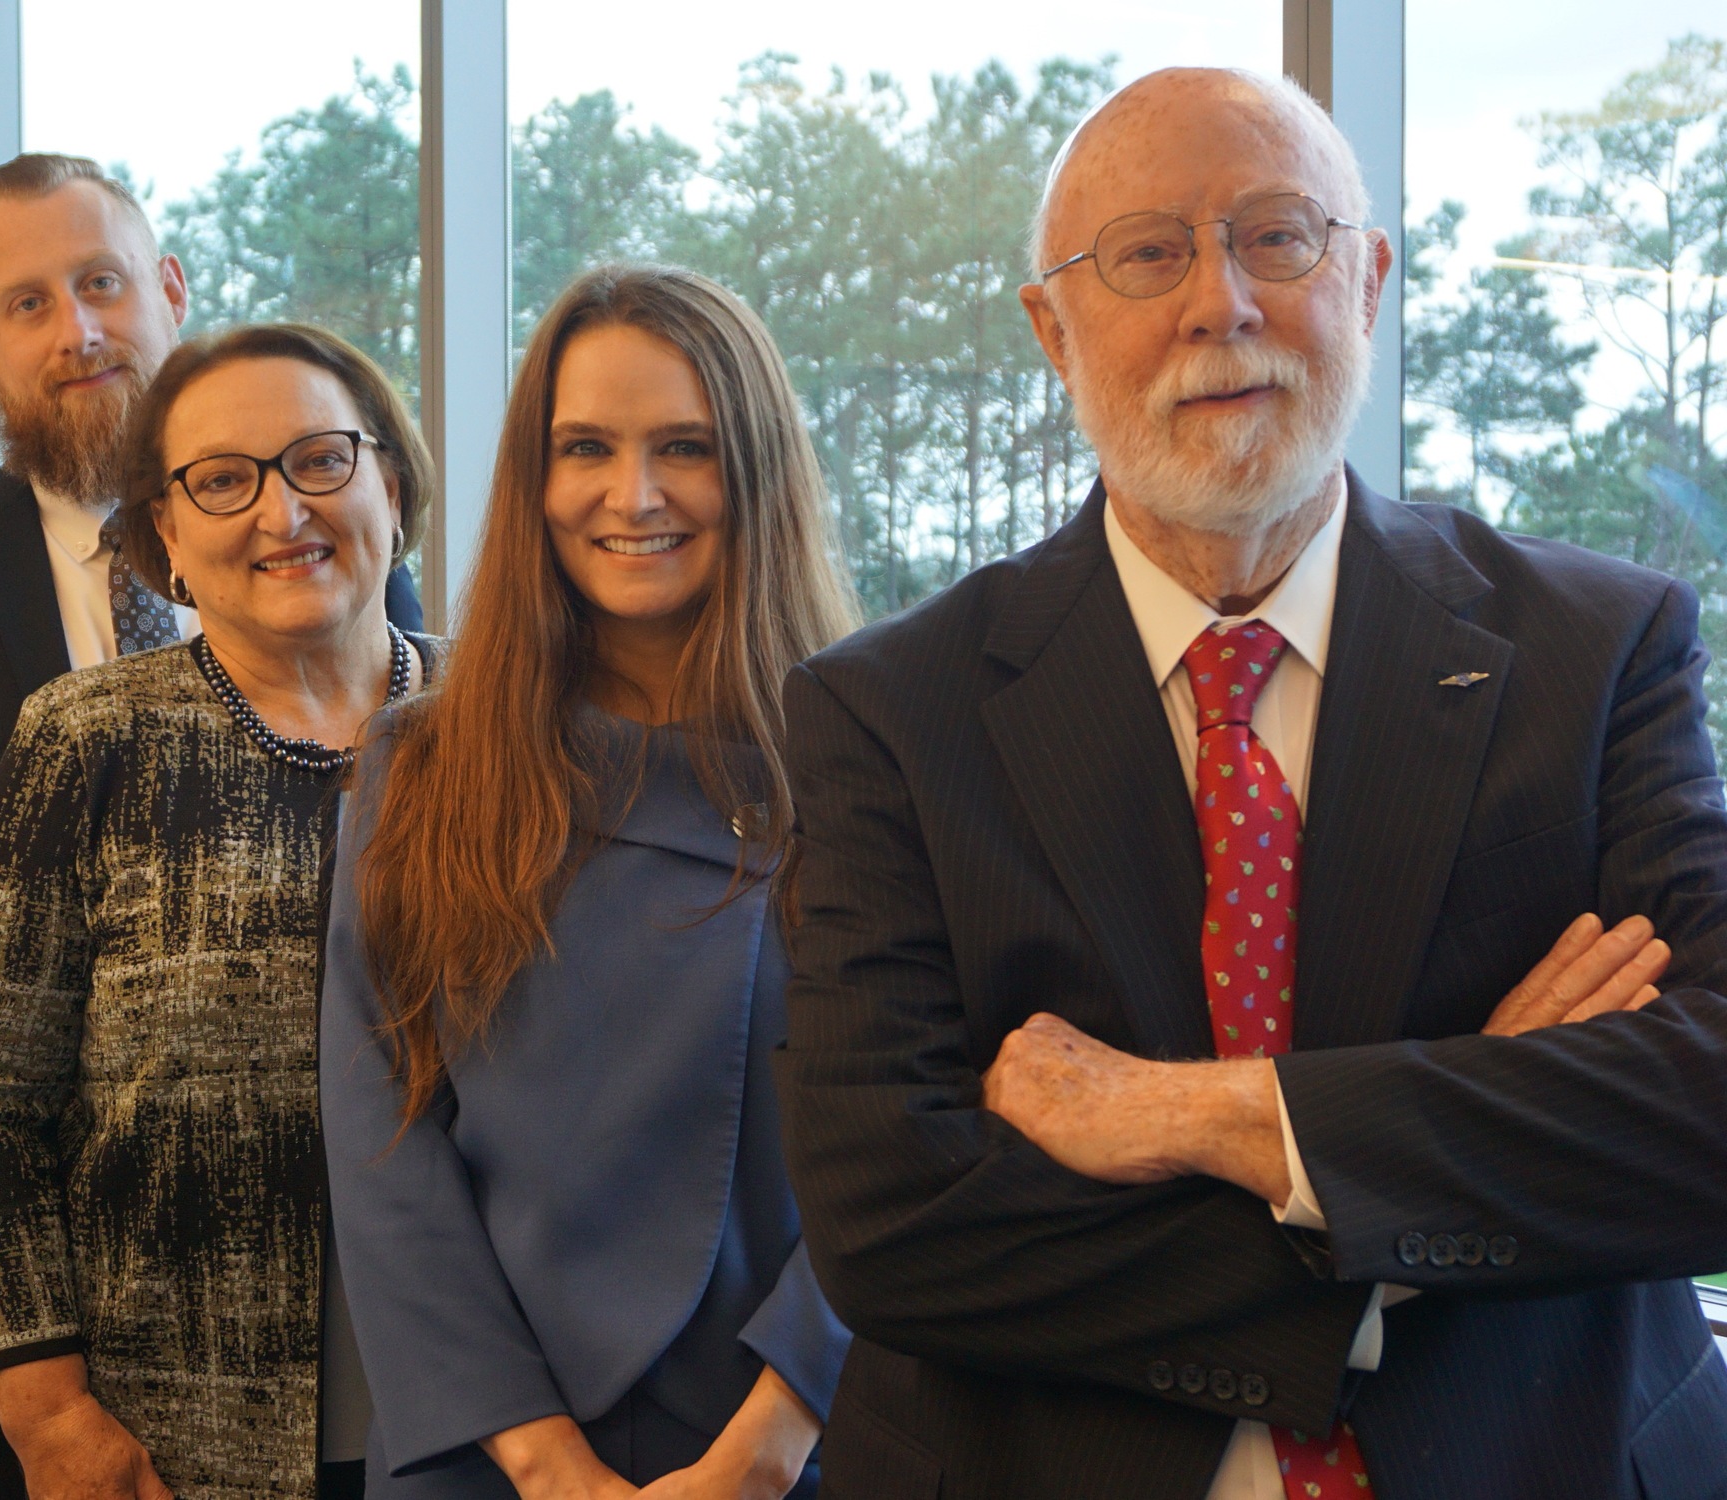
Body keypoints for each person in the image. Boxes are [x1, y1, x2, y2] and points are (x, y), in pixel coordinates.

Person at [774, 66, 1727, 1500]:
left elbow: (1706, 1121)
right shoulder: (889, 713)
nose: (1218, 303)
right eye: (1146, 254)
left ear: (1370, 281)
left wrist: (1191, 1115)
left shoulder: (1595, 650)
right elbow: (892, 1226)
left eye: (1277, 237)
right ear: (1051, 329)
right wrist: (1432, 1167)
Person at [0, 152, 424, 1497]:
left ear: (169, 291)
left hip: (304, 1301)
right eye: (28, 304)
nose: (78, 331)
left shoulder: (314, 546)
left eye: (100, 284)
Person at [321, 264, 857, 1499]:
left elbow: (920, 1133)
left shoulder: (868, 758)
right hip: (485, 1449)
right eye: (585, 448)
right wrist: (544, 1461)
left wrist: (773, 1438)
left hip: (801, 1441)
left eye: (684, 446)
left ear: (757, 469)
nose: (633, 494)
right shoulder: (421, 766)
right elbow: (381, 1148)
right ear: (534, 478)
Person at [0, 321, 437, 1500]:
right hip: (175, 1444)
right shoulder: (88, 742)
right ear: (167, 537)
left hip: (497, 1426)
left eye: (321, 460)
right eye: (223, 480)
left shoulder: (503, 726)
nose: (282, 512)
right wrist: (46, 1413)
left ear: (391, 488)